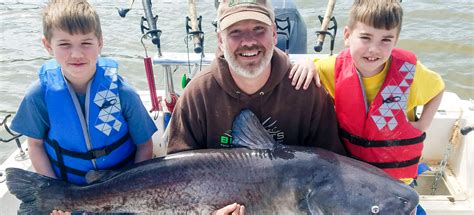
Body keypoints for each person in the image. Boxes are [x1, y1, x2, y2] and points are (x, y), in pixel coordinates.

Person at [167, 0, 346, 214]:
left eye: (258, 29)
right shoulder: (197, 95)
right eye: (235, 32)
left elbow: (333, 170)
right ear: (220, 41)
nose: (248, 41)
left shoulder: (306, 90)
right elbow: (173, 178)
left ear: (274, 34)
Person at [290, 0, 444, 187]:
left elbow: (438, 88)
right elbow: (309, 66)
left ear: (395, 41)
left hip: (397, 180)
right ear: (347, 36)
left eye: (385, 40)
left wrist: (422, 124)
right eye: (365, 37)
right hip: (352, 175)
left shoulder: (408, 72)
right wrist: (306, 63)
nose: (374, 49)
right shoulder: (333, 68)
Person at [10, 0, 157, 188]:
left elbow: (145, 145)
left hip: (121, 189)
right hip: (67, 189)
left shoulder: (123, 93)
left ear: (100, 43)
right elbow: (35, 146)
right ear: (48, 45)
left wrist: (133, 189)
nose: (76, 54)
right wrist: (56, 193)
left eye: (86, 43)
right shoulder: (38, 96)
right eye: (65, 44)